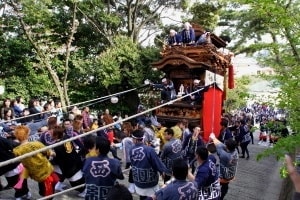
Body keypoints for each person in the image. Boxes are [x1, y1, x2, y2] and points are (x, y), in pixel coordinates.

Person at [13, 125, 59, 198]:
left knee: (44, 191)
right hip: (46, 171)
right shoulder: (36, 144)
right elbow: (50, 152)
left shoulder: (17, 151)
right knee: (48, 193)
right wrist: (53, 154)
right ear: (27, 134)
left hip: (36, 174)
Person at [130, 129, 169, 200]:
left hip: (138, 180)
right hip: (150, 182)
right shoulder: (149, 150)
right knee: (151, 197)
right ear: (142, 138)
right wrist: (163, 171)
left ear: (135, 139)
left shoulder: (131, 149)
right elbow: (157, 163)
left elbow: (132, 163)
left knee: (142, 197)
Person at [209, 134, 238, 200]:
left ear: (227, 147)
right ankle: (221, 197)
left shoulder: (225, 156)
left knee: (214, 186)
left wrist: (213, 138)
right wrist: (214, 138)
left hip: (223, 176)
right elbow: (222, 145)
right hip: (231, 174)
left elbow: (219, 146)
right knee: (225, 187)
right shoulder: (235, 151)